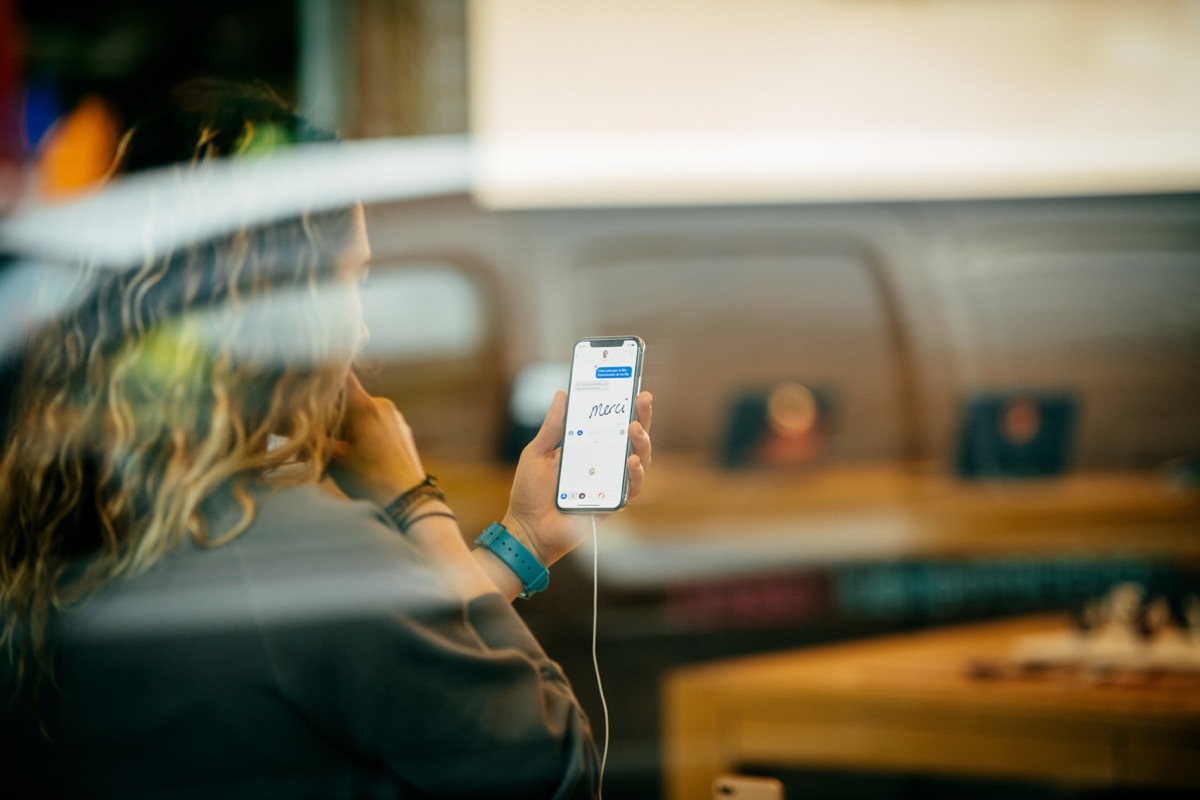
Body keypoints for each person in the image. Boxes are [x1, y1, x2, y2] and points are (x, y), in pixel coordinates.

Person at [0, 79, 654, 799]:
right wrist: (415, 501)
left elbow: (379, 659)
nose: (362, 327)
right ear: (287, 303)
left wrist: (521, 541)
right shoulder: (294, 551)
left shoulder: (63, 508)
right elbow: (552, 769)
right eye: (351, 280)